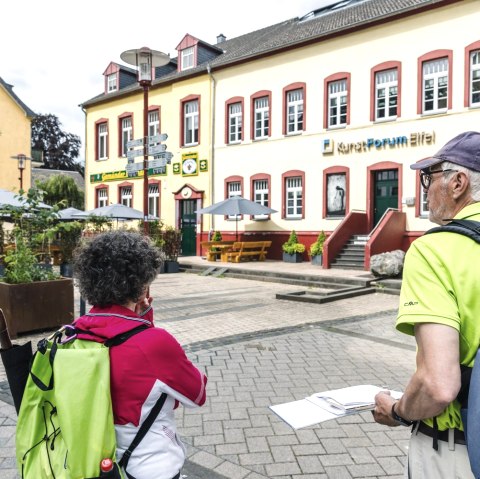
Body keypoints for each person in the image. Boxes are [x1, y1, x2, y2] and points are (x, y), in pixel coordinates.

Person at [373, 131, 480, 478]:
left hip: (458, 451)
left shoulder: (436, 250)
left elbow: (438, 385)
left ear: (458, 183)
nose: (423, 188)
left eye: (428, 177)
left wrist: (399, 410)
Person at [72, 230, 207, 479]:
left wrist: (142, 319)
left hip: (91, 463)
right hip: (149, 467)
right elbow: (197, 394)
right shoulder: (155, 344)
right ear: (142, 285)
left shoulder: (69, 335)